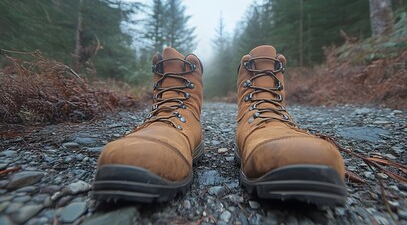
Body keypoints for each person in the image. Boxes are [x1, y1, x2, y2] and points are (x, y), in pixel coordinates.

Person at [92, 45, 347, 206]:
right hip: (167, 129)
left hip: (267, 131)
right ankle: (180, 121)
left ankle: (259, 120)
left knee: (278, 136)